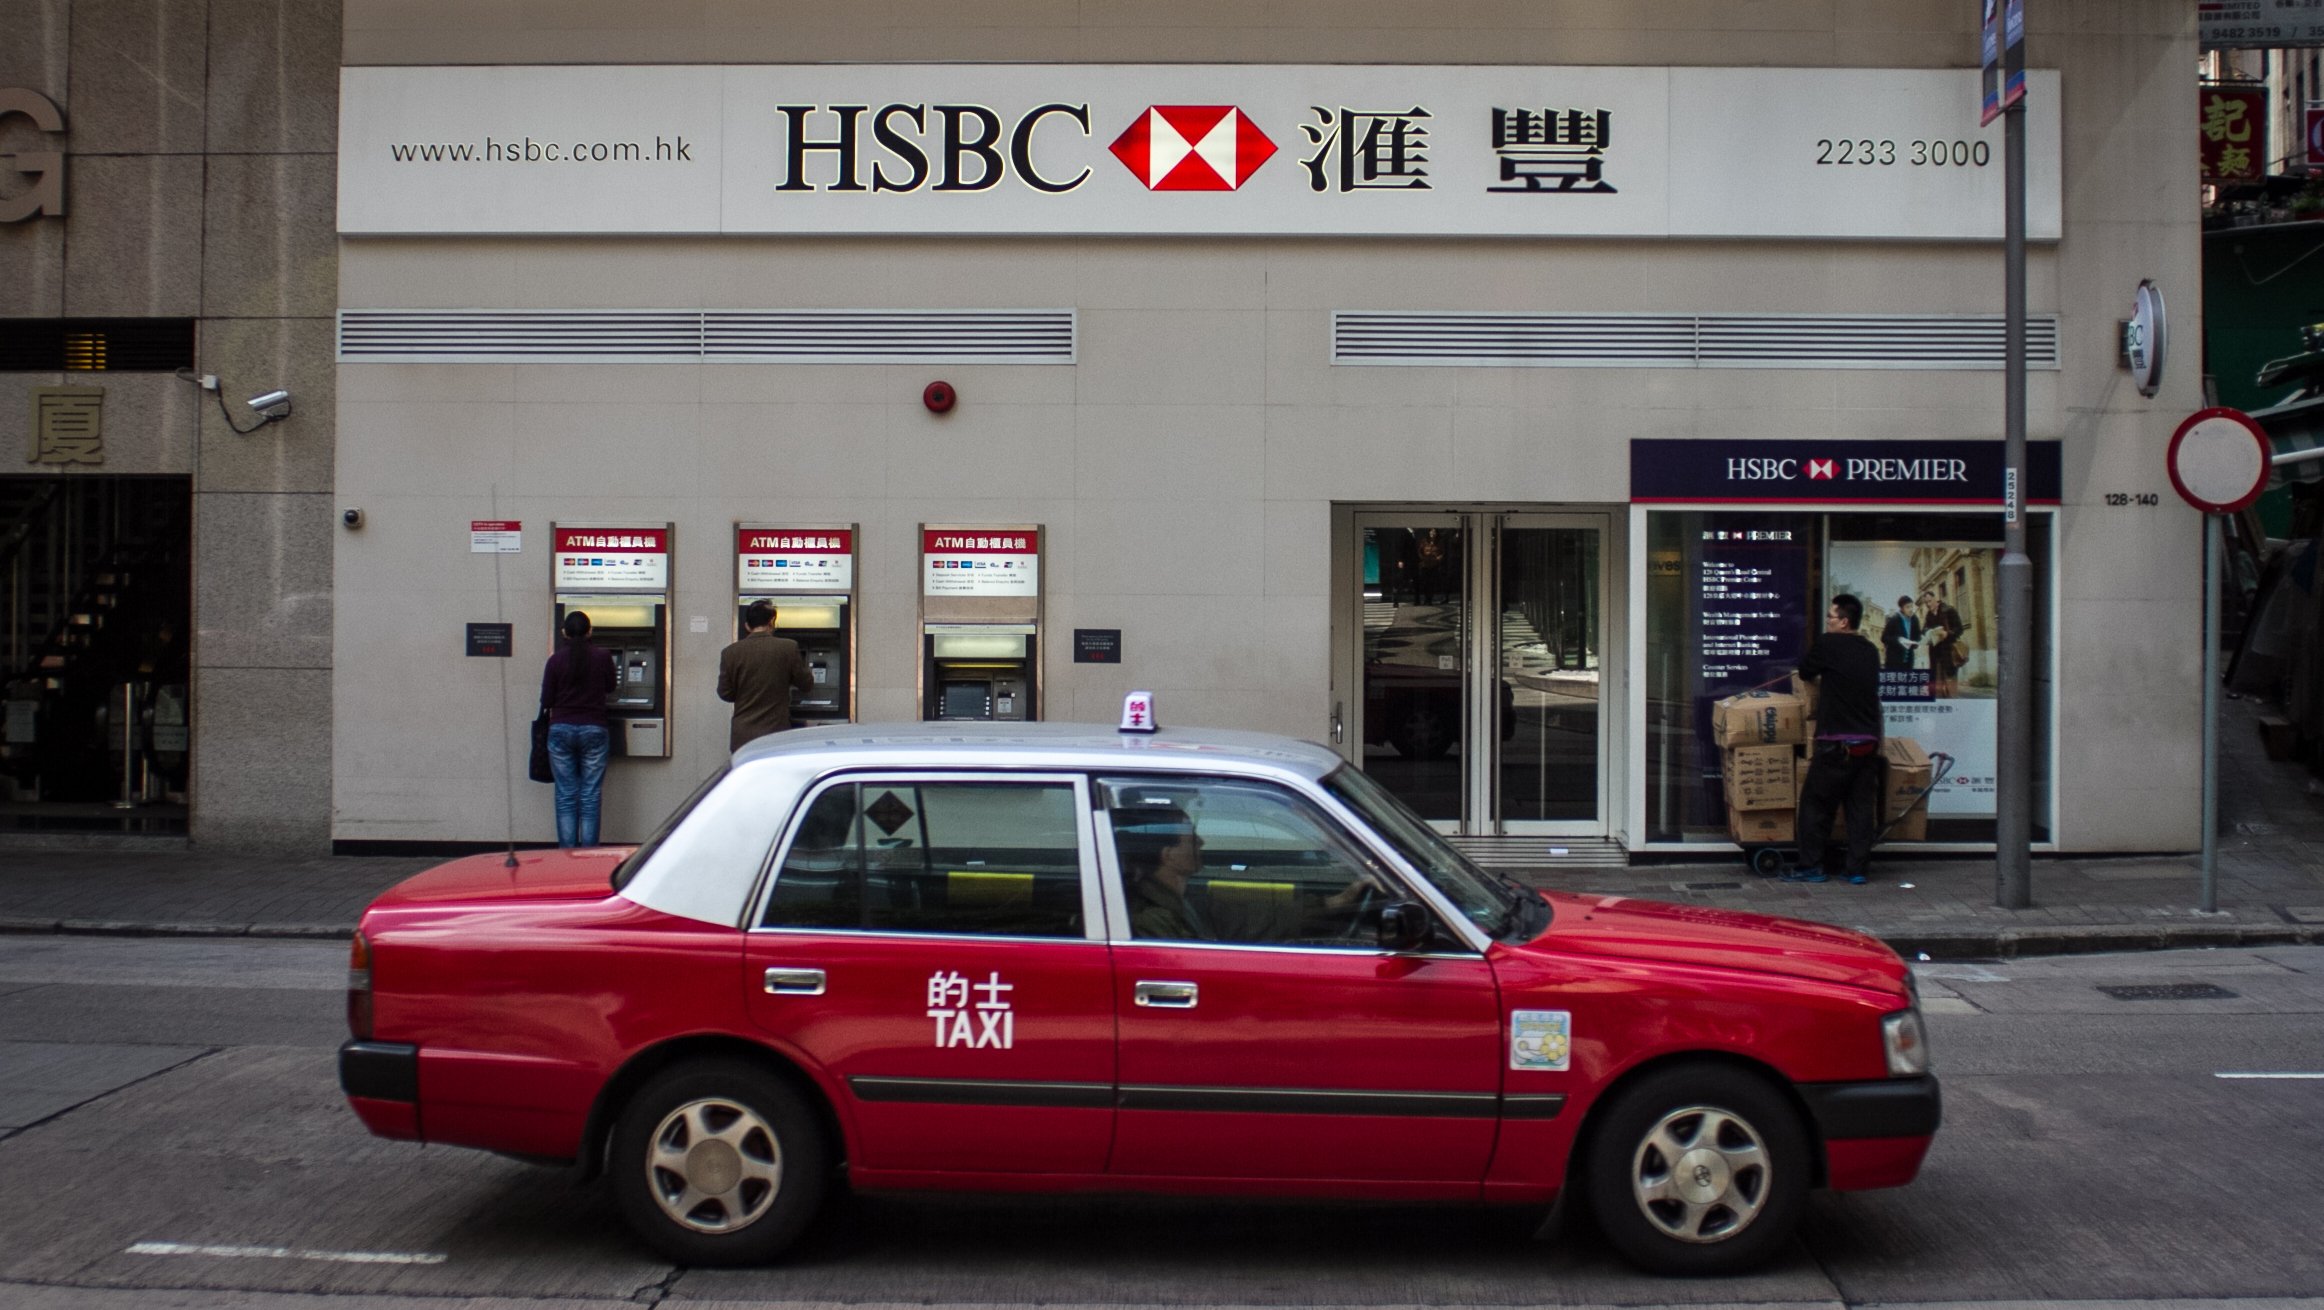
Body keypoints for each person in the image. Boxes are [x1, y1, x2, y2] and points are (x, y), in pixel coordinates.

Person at [1113, 807, 1380, 942]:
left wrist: (1335, 903)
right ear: (1168, 855)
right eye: (1191, 838)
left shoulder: (1186, 899)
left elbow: (1252, 915)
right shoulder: (1154, 919)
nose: (1201, 842)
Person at [1788, 593, 1884, 886]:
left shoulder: (1829, 644)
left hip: (1834, 742)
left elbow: (1806, 670)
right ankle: (1856, 870)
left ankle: (1811, 866)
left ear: (1843, 621)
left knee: (1816, 806)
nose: (1827, 622)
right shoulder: (1870, 649)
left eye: (1830, 617)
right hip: (1867, 742)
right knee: (1859, 808)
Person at [540, 610, 616, 848]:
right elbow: (611, 687)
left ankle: (567, 856)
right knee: (590, 795)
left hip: (561, 729)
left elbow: (547, 699)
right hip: (594, 728)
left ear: (564, 633)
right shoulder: (603, 657)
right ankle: (589, 855)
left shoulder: (555, 660)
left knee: (565, 796)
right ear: (590, 631)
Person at [717, 600, 814, 752]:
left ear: (747, 626)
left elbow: (725, 694)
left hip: (743, 736)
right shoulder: (788, 647)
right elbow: (806, 684)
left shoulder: (730, 652)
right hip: (775, 733)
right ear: (771, 622)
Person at [1922, 586, 1968, 697]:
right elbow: (1924, 629)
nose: (1928, 604)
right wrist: (1927, 633)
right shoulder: (1928, 615)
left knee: (1951, 690)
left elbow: (1959, 629)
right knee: (1937, 691)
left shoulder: (1948, 610)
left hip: (1948, 655)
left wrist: (1947, 634)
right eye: (1926, 603)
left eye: (1930, 601)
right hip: (1935, 656)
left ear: (1935, 599)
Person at [1878, 595, 1922, 673]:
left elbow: (1917, 637)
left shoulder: (1915, 619)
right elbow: (1884, 638)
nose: (1911, 609)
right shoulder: (1894, 620)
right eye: (1907, 607)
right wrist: (1898, 640)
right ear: (1902, 609)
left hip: (1908, 661)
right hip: (1894, 661)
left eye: (1912, 606)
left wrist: (1916, 642)